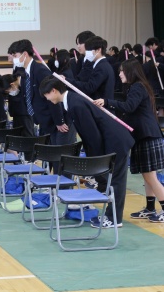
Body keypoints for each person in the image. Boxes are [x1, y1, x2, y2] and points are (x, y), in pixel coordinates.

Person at [39, 75, 134, 228]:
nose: (46, 98)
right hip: (110, 140)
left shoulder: (75, 104)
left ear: (54, 90)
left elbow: (92, 135)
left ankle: (114, 219)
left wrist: (96, 161)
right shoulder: (71, 101)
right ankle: (111, 215)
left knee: (116, 181)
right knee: (112, 181)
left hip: (116, 141)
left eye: (46, 94)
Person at [93, 59, 164, 223]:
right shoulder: (138, 86)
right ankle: (150, 208)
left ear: (131, 71)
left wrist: (107, 102)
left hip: (147, 136)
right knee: (148, 176)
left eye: (122, 71)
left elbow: (129, 107)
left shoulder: (138, 87)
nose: (119, 74)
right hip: (144, 136)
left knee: (151, 177)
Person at [7, 39, 70, 144]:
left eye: (15, 56)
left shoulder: (40, 71)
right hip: (42, 120)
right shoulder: (26, 73)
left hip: (53, 121)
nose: (14, 59)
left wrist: (59, 121)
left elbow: (53, 97)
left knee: (55, 150)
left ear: (25, 54)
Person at [66, 36, 115, 103]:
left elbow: (90, 87)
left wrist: (67, 81)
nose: (87, 53)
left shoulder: (101, 67)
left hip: (101, 106)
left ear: (98, 50)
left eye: (89, 50)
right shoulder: (102, 65)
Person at [0, 71, 34, 137]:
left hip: (26, 118)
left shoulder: (26, 83)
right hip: (16, 117)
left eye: (8, 91)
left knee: (27, 138)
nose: (9, 93)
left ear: (12, 85)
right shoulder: (13, 89)